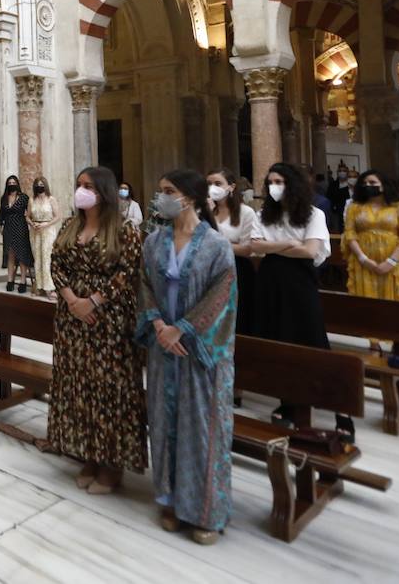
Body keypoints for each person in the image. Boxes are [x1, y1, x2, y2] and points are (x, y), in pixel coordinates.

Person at [135, 169, 236, 545]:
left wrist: (186, 329)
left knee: (202, 428)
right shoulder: (154, 240)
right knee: (164, 423)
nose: (160, 197)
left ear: (190, 198)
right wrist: (159, 324)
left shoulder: (216, 245)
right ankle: (171, 499)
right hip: (164, 347)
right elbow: (144, 285)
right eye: (160, 191)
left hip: (199, 351)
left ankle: (206, 509)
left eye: (168, 192)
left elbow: (222, 296)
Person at [45, 166, 147, 495]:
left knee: (110, 389)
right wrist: (73, 300)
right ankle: (88, 453)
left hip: (110, 321)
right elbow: (56, 263)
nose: (81, 191)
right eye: (78, 185)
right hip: (72, 320)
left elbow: (127, 270)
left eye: (88, 186)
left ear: (103, 191)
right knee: (79, 385)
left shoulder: (125, 230)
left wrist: (95, 301)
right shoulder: (69, 225)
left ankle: (112, 462)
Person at [249, 163, 339, 432]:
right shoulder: (263, 214)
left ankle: (338, 407)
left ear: (293, 184)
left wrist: (274, 248)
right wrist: (289, 244)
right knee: (279, 339)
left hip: (300, 281)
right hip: (270, 280)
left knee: (312, 340)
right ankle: (287, 400)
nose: (274, 186)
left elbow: (310, 251)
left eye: (280, 181)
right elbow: (255, 246)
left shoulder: (314, 214)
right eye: (271, 181)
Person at [342, 169, 399, 312]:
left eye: (372, 182)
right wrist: (363, 258)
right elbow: (349, 233)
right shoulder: (354, 207)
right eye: (364, 183)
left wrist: (390, 262)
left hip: (395, 261)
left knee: (397, 304)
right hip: (364, 262)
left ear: (384, 185)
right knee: (367, 306)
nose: (367, 185)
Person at [207, 168, 258, 337]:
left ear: (231, 187)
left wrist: (216, 243)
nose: (212, 187)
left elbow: (247, 248)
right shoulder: (206, 212)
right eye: (209, 184)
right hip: (210, 268)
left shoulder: (246, 212)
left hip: (237, 268)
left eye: (217, 183)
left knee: (237, 320)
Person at [0, 174, 34, 294]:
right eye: (9, 183)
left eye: (14, 183)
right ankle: (10, 280)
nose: (11, 185)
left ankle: (23, 281)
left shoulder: (24, 197)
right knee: (10, 255)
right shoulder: (4, 198)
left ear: (17, 184)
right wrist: (0, 227)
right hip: (8, 229)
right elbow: (1, 214)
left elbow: (30, 212)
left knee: (22, 255)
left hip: (20, 228)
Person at [26, 176, 59, 299]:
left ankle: (49, 288)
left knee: (46, 259)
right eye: (37, 185)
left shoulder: (51, 199)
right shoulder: (31, 200)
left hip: (48, 231)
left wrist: (46, 224)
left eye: (41, 184)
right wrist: (32, 223)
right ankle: (39, 286)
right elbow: (27, 216)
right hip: (35, 232)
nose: (40, 187)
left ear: (45, 185)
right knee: (38, 259)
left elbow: (57, 216)